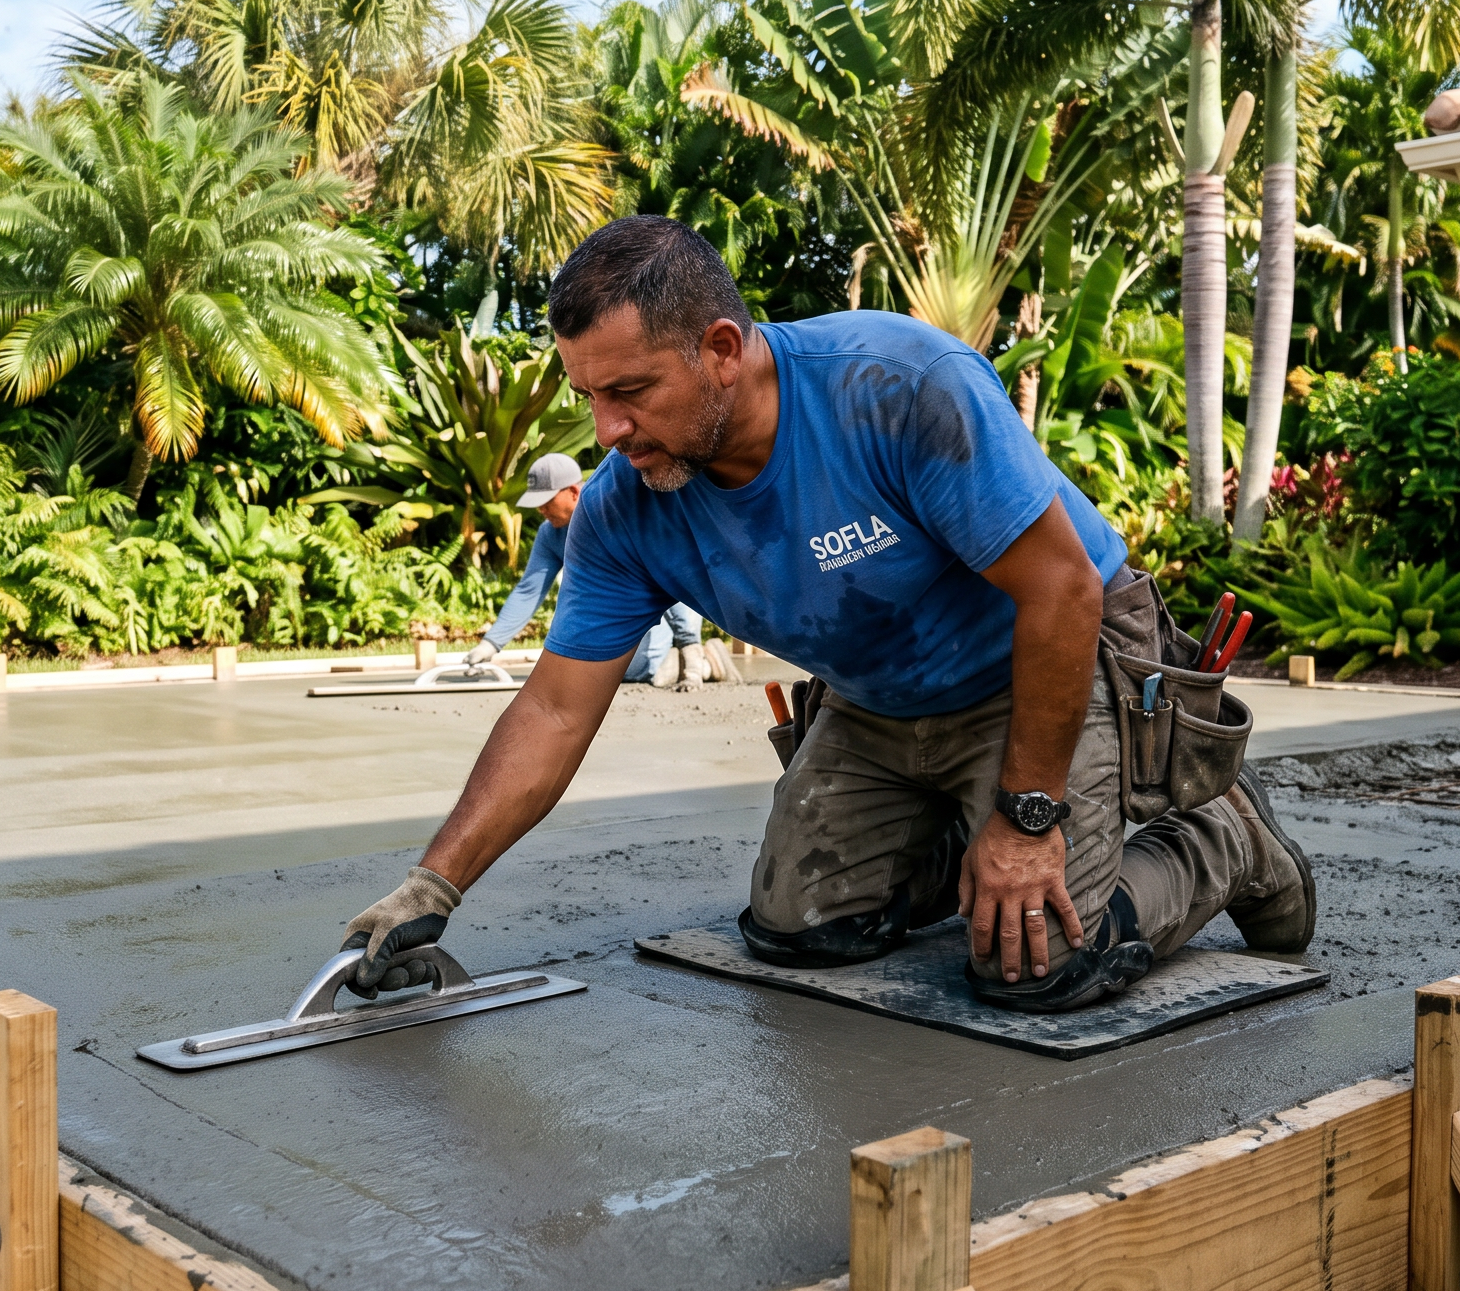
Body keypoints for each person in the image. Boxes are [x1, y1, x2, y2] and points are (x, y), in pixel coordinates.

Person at [339, 216, 1314, 1012]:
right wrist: (437, 884)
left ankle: (1223, 838)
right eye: (588, 397)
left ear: (722, 351)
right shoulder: (623, 506)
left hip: (1047, 664)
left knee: (1040, 964)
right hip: (878, 701)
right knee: (795, 930)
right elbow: (554, 711)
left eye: (630, 393)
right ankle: (960, 835)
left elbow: (1061, 591)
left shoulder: (894, 389)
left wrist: (1025, 820)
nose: (607, 431)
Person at [464, 452, 712, 689]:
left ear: (573, 492)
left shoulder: (618, 515)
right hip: (621, 615)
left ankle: (703, 662)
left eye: (545, 501)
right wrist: (490, 644)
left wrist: (688, 646)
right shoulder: (551, 535)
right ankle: (671, 662)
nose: (540, 510)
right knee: (616, 674)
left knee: (641, 667)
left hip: (665, 607)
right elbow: (528, 591)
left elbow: (669, 575)